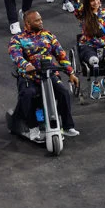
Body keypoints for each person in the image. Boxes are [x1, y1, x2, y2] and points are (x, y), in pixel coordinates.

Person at [8, 10, 80, 142]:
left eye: (41, 19)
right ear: (27, 23)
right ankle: (33, 128)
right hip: (29, 77)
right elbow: (15, 55)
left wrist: (71, 73)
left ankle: (67, 126)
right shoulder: (17, 39)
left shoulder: (48, 35)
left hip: (48, 74)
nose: (41, 22)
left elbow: (61, 56)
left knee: (64, 92)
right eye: (37, 20)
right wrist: (26, 65)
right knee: (27, 94)